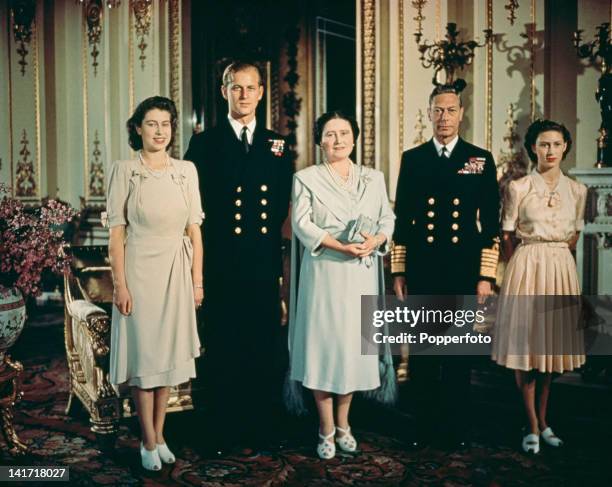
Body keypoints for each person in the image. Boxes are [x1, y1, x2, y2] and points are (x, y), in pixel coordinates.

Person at [184, 61, 293, 455]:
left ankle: (260, 427)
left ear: (262, 92)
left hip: (261, 263)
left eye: (251, 88)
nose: (244, 95)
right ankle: (221, 429)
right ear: (224, 91)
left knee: (262, 346)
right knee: (223, 344)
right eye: (237, 87)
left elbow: (281, 203)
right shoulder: (204, 144)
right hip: (222, 263)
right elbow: (194, 206)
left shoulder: (277, 144)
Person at [391, 82, 501, 449]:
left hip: (462, 267)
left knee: (456, 354)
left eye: (451, 110)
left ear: (461, 114)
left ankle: (455, 430)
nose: (444, 117)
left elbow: (491, 221)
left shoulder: (479, 159)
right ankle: (423, 428)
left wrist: (486, 276)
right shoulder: (414, 157)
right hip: (423, 266)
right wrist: (399, 270)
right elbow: (402, 218)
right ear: (429, 113)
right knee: (422, 353)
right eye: (438, 110)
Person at [288, 111, 395, 459]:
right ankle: (325, 427)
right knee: (325, 348)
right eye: (330, 134)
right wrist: (340, 245)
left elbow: (387, 217)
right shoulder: (306, 178)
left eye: (344, 133)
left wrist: (376, 239)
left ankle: (345, 423)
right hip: (325, 273)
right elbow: (303, 226)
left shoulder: (373, 178)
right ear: (320, 140)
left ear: (355, 137)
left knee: (351, 350)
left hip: (360, 273)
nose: (338, 140)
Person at [106, 96, 203, 471]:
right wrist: (120, 285)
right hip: (139, 271)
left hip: (176, 271)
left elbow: (194, 232)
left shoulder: (186, 171)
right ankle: (146, 439)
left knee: (165, 361)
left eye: (166, 124)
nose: (160, 131)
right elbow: (116, 235)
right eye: (152, 123)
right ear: (137, 128)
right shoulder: (124, 171)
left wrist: (197, 282)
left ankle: (160, 434)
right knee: (145, 359)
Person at [492, 119, 586, 454]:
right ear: (533, 147)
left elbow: (574, 234)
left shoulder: (577, 191)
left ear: (565, 148)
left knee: (550, 350)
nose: (550, 150)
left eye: (557, 144)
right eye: (544, 144)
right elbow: (506, 234)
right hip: (527, 266)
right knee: (527, 349)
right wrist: (521, 266)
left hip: (560, 268)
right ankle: (530, 424)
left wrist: (555, 256)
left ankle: (545, 422)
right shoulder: (518, 188)